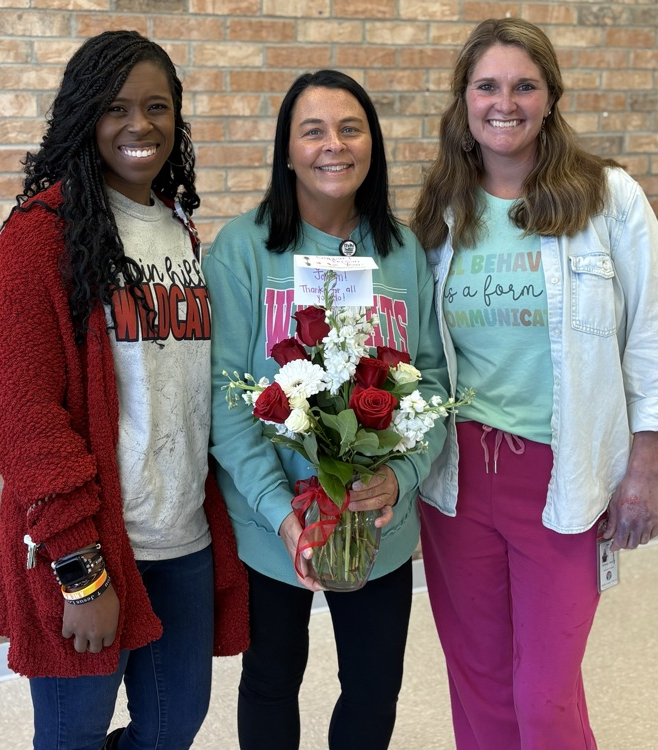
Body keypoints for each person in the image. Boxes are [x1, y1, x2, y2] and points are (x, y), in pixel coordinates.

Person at [413, 17, 658, 750]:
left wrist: (644, 467)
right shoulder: (442, 210)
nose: (506, 102)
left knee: (543, 696)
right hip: (458, 476)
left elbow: (655, 334)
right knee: (478, 681)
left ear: (550, 98)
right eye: (488, 86)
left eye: (524, 85)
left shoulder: (609, 199)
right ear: (464, 101)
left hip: (561, 476)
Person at [0, 30, 247, 750]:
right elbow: (26, 416)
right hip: (97, 548)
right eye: (116, 107)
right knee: (71, 738)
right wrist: (80, 572)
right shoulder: (41, 235)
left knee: (174, 727)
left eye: (158, 107)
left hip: (183, 539)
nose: (140, 125)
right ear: (83, 115)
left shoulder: (178, 230)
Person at [203, 70, 448, 750]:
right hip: (271, 523)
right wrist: (282, 513)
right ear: (286, 151)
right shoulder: (242, 251)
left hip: (377, 522)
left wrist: (402, 476)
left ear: (373, 143)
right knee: (272, 680)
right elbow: (225, 402)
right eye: (312, 131)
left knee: (374, 688)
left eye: (350, 128)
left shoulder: (403, 253)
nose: (332, 145)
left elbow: (428, 379)